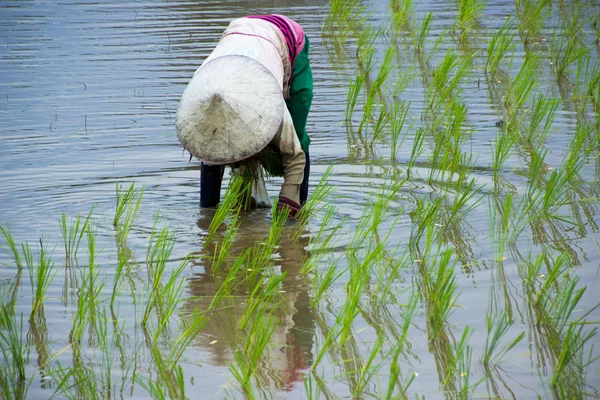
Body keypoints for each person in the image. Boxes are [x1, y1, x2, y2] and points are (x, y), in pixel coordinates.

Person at [176, 15, 313, 218]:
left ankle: (300, 208)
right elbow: (210, 160)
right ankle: (242, 201)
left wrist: (288, 202)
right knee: (216, 153)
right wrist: (207, 217)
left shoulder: (270, 101)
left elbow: (295, 155)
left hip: (285, 37)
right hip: (239, 32)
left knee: (297, 138)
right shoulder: (203, 94)